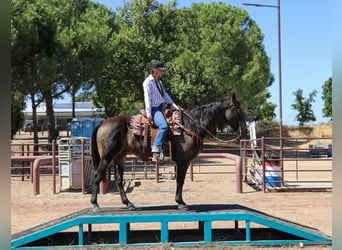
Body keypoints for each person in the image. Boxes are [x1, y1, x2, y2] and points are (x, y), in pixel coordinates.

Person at [143, 60, 180, 161]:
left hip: (160, 107)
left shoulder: (159, 82)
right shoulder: (147, 82)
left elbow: (165, 95)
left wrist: (175, 107)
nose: (162, 72)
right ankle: (156, 148)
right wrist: (149, 113)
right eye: (160, 70)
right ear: (154, 70)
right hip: (154, 109)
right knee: (163, 126)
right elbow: (147, 98)